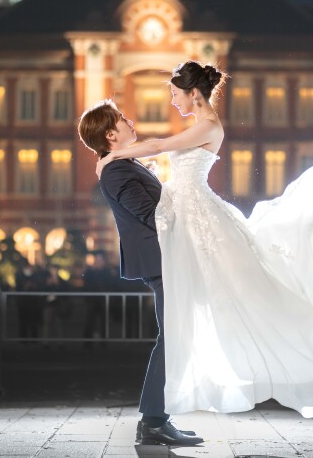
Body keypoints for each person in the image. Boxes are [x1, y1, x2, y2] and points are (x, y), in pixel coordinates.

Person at [94, 60, 313, 418]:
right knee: (195, 318)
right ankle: (160, 416)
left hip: (197, 215)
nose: (173, 102)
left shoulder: (207, 125)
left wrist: (112, 155)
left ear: (192, 93)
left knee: (222, 303)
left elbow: (160, 144)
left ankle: (160, 417)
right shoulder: (199, 125)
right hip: (190, 215)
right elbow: (162, 162)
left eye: (175, 95)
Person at [78, 100, 203, 446]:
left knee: (174, 337)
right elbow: (152, 215)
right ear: (110, 134)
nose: (131, 121)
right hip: (162, 261)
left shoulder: (121, 165)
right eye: (122, 120)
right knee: (172, 339)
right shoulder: (117, 171)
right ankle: (153, 422)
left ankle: (156, 420)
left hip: (164, 259)